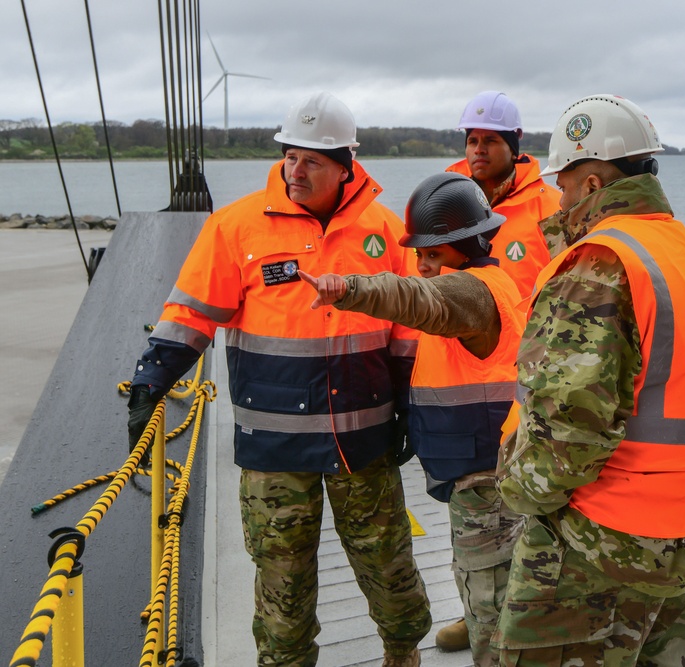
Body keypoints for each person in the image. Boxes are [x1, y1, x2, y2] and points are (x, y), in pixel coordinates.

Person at [126, 91, 431, 667]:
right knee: (281, 584)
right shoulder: (235, 228)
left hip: (363, 440)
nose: (296, 170)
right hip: (274, 449)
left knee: (389, 564)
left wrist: (413, 411)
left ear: (346, 166)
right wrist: (151, 381)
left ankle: (402, 651)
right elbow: (191, 313)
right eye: (290, 155)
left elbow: (410, 331)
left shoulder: (386, 232)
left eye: (313, 160)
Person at [495, 94, 685, 665]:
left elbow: (570, 429)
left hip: (600, 538)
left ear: (591, 184)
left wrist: (516, 493)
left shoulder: (602, 262)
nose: (558, 199)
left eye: (564, 184)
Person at [300, 172, 526, 667]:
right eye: (418, 255)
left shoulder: (469, 292)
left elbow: (415, 299)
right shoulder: (491, 282)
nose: (421, 266)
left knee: (493, 614)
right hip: (486, 471)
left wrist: (348, 287)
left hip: (486, 481)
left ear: (465, 245)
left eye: (432, 255)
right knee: (489, 592)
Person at [445, 90, 560, 300]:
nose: (479, 149)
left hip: (524, 332)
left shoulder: (553, 208)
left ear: (513, 149)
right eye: (472, 141)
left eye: (490, 141)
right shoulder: (444, 203)